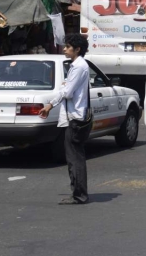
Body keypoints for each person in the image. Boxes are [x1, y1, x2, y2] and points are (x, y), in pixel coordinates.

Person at [38, 34, 91, 205]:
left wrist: (49, 105)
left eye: (68, 47)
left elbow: (67, 92)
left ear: (77, 49)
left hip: (75, 117)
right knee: (75, 157)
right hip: (74, 116)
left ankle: (79, 195)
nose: (65, 49)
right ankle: (78, 192)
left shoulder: (78, 67)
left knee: (74, 158)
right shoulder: (77, 65)